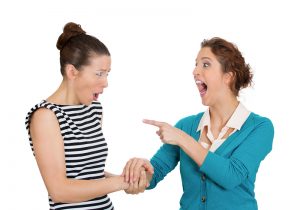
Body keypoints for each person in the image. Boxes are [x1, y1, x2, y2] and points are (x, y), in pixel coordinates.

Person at [123, 37, 274, 209]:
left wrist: (183, 139)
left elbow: (231, 175)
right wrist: (136, 174)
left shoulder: (259, 127)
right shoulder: (186, 126)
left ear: (228, 76)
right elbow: (154, 174)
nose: (195, 71)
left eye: (205, 64)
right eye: (196, 64)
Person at [25, 22, 149, 210]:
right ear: (72, 72)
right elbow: (59, 190)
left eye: (107, 74)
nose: (106, 83)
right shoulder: (46, 116)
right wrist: (120, 183)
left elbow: (90, 175)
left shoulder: (93, 110)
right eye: (99, 74)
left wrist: (129, 178)